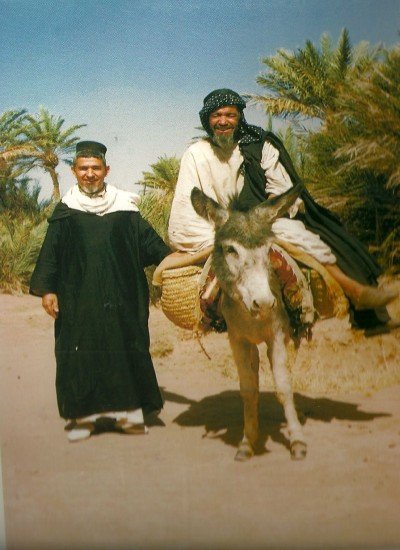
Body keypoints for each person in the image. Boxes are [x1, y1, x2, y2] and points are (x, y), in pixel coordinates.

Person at [167, 88, 397, 329]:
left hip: (261, 221)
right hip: (217, 227)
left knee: (302, 236)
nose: (223, 121)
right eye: (216, 115)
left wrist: (263, 215)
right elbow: (187, 206)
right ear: (208, 119)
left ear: (239, 118)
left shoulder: (258, 145)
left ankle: (355, 294)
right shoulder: (195, 154)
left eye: (230, 115)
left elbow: (280, 187)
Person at [30, 141, 171, 442]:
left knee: (126, 347)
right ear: (74, 171)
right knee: (80, 352)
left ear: (107, 170)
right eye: (84, 168)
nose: (90, 174)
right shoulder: (66, 210)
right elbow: (51, 253)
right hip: (77, 298)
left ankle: (130, 414)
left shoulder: (125, 209)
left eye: (96, 168)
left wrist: (176, 259)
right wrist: (48, 290)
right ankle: (83, 418)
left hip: (123, 296)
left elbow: (151, 244)